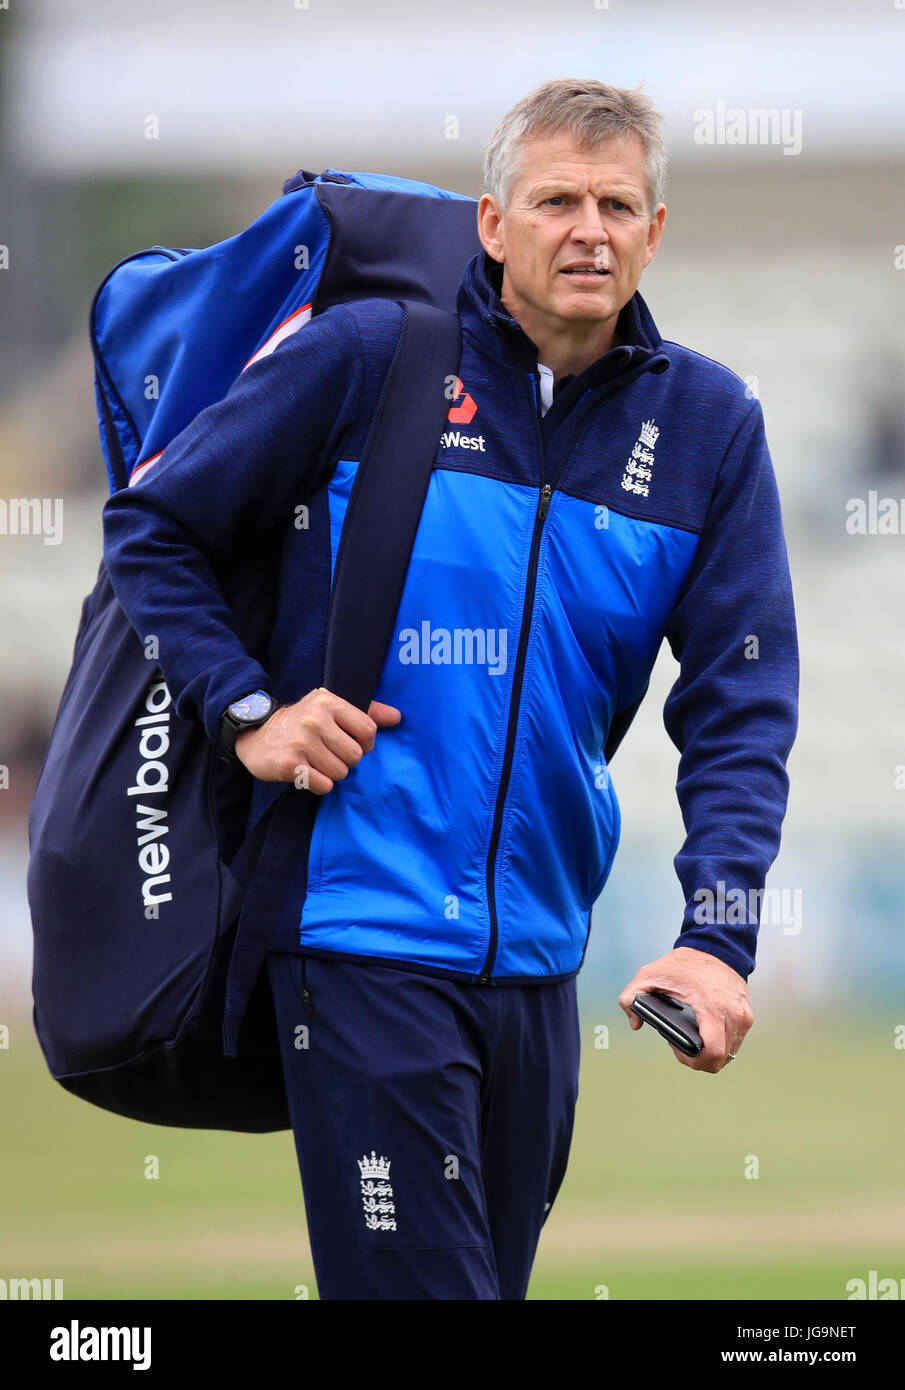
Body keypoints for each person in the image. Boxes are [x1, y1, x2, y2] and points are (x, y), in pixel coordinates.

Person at [102, 78, 799, 1300]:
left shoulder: (712, 425)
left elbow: (743, 707)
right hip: (356, 937)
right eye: (556, 200)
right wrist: (249, 711)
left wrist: (717, 939)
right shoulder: (371, 359)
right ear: (492, 224)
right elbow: (155, 528)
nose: (589, 228)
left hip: (538, 963)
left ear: (654, 231)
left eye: (618, 204)